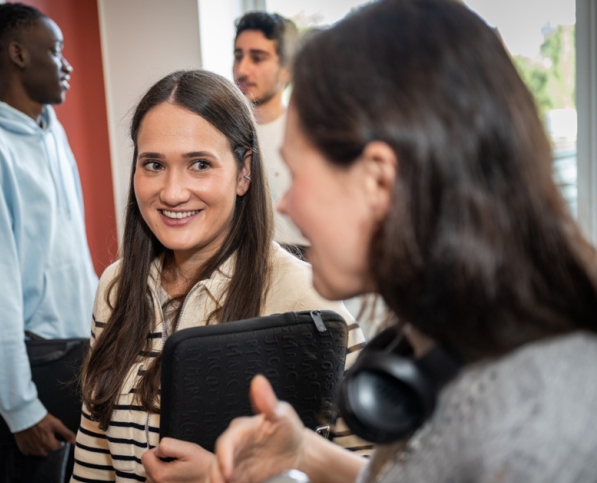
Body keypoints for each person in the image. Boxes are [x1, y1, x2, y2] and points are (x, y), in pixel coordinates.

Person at [214, 0, 597, 482]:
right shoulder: (450, 341)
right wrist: (304, 453)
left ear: (378, 180)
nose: (285, 204)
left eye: (296, 174)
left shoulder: (533, 430)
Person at [70, 70, 367, 483]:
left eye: (199, 165)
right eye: (153, 164)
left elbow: (381, 471)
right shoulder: (116, 287)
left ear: (244, 171)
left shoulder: (304, 297)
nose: (172, 192)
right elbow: (92, 457)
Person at [0, 3, 98, 482]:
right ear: (17, 54)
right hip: (33, 371)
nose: (67, 64)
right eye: (55, 50)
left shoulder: (51, 134)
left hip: (77, 356)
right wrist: (19, 407)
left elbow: (70, 253)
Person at [233, 11, 308, 259]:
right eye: (238, 56)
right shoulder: (223, 134)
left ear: (286, 70)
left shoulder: (311, 134)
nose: (242, 70)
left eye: (257, 58)